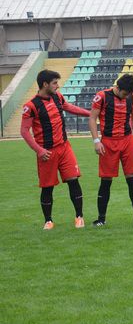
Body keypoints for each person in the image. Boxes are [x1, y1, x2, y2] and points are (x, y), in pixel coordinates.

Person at [21, 69, 90, 229]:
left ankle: (79, 217)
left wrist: (90, 114)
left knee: (74, 181)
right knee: (47, 187)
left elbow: (69, 107)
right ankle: (48, 221)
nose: (57, 86)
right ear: (45, 84)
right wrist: (39, 150)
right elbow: (24, 131)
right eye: (54, 83)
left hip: (64, 148)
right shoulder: (31, 106)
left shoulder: (57, 97)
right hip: (46, 152)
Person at [89, 73, 133, 225]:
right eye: (125, 93)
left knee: (132, 178)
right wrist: (96, 141)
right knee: (106, 180)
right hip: (108, 142)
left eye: (129, 94)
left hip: (127, 141)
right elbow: (92, 118)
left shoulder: (131, 97)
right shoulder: (102, 97)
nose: (126, 96)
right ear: (118, 87)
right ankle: (101, 219)